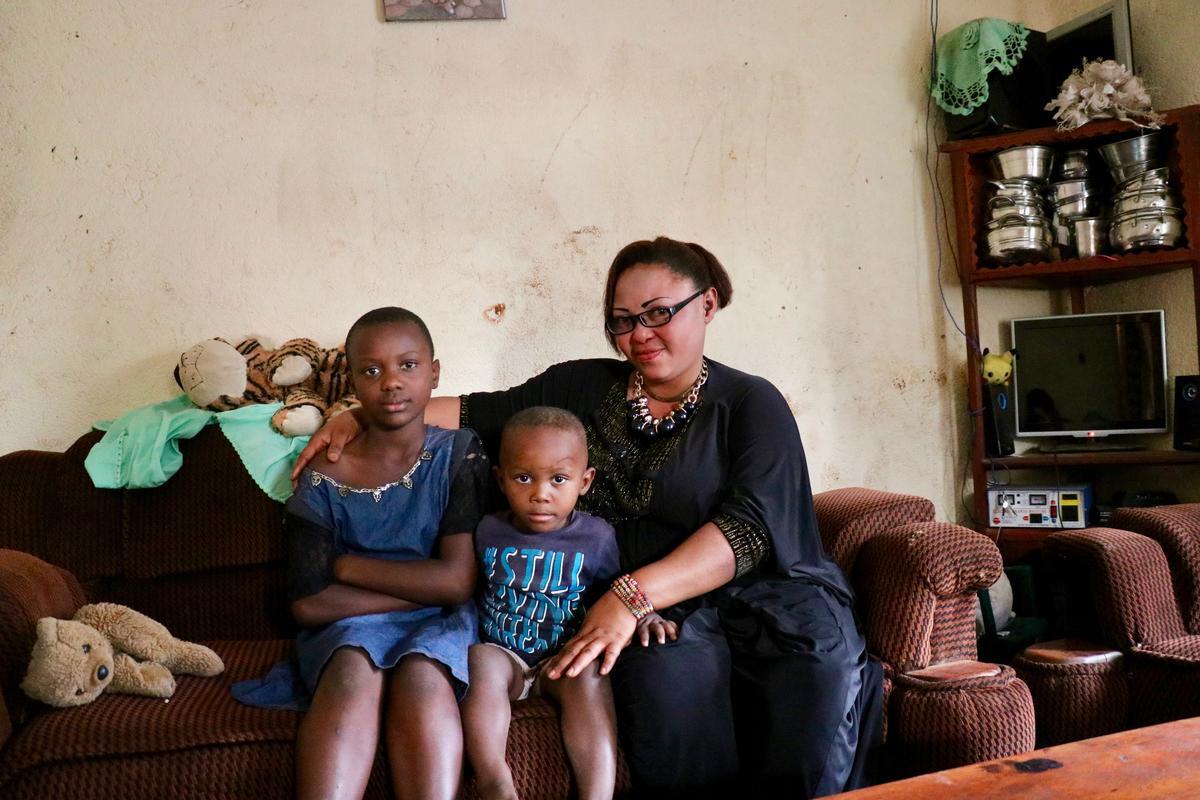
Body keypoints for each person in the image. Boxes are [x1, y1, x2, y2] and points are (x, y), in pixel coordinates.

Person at [295, 238, 883, 799]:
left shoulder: (751, 404)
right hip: (664, 609)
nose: (639, 335)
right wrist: (359, 417)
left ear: (706, 304)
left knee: (811, 670)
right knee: (666, 679)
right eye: (623, 320)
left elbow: (749, 528)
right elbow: (472, 411)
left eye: (658, 313)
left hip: (768, 593)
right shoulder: (581, 385)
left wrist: (628, 597)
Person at [234, 307, 489, 800]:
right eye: (371, 370)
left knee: (423, 675)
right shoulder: (324, 471)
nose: (391, 382)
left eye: (408, 365)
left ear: (434, 372)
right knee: (351, 669)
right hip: (347, 627)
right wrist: (424, 588)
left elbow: (458, 583)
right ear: (352, 379)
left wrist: (349, 568)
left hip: (437, 626)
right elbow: (308, 604)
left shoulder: (460, 453)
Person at [463, 406, 678, 800]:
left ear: (585, 481)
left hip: (562, 658)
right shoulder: (488, 530)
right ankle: (495, 781)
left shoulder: (596, 538)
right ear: (500, 478)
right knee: (479, 661)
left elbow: (617, 589)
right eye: (523, 478)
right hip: (503, 654)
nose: (540, 494)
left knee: (591, 672)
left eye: (558, 479)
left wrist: (645, 614)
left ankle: (597, 793)